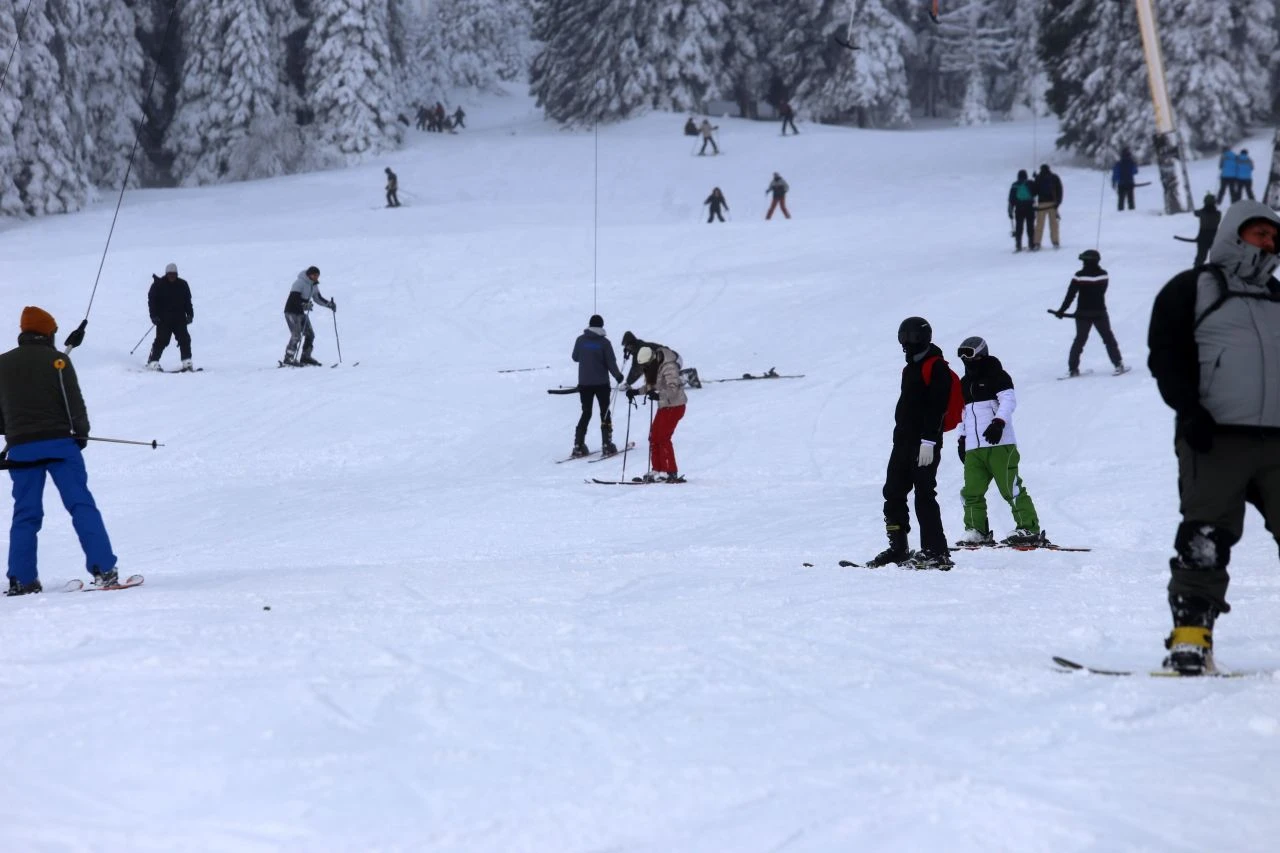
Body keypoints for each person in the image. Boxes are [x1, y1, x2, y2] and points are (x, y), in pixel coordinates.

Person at [1146, 199, 1280, 675]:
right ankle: (1190, 640)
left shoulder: (1276, 295)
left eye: (1272, 236)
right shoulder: (1193, 287)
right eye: (1257, 233)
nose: (1267, 243)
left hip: (1277, 440)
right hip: (1215, 438)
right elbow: (1165, 353)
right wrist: (1189, 410)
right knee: (1205, 535)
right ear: (1232, 234)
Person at [0, 307, 119, 595]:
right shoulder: (58, 361)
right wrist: (80, 435)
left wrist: (15, 433)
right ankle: (104, 570)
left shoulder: (2, 363)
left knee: (25, 513)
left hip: (21, 449)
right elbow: (74, 404)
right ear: (48, 332)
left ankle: (21, 579)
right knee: (80, 505)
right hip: (60, 445)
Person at [867, 317, 954, 569]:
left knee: (924, 494)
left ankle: (936, 552)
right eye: (903, 337)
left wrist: (928, 440)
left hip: (924, 444)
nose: (907, 343)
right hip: (903, 442)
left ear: (924, 337)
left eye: (912, 337)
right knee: (893, 492)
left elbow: (937, 406)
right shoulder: (910, 368)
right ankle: (898, 548)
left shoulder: (936, 367)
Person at [953, 336, 1044, 547]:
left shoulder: (997, 375)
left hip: (999, 444)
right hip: (974, 448)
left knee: (1010, 488)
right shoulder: (964, 383)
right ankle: (977, 531)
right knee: (971, 492)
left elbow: (1008, 400)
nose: (965, 358)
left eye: (969, 353)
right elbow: (963, 413)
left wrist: (999, 422)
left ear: (981, 354)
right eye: (961, 354)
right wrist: (961, 439)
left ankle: (1028, 528)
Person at [1052, 249, 1126, 377]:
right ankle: (1118, 364)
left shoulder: (1079, 275)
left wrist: (1061, 311)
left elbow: (1070, 295)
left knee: (1079, 341)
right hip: (1100, 313)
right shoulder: (1104, 275)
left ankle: (1073, 369)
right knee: (1108, 339)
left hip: (1082, 314)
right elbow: (1101, 291)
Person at [623, 341, 687, 483]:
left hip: (675, 406)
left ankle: (670, 471)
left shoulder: (669, 366)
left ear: (651, 359)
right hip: (665, 405)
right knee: (653, 437)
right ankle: (657, 469)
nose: (645, 368)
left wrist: (659, 396)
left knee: (663, 438)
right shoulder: (655, 366)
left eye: (645, 365)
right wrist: (636, 392)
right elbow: (652, 386)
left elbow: (673, 388)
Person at [570, 314, 624, 458]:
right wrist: (618, 376)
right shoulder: (604, 343)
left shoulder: (580, 340)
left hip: (584, 383)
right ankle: (607, 444)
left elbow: (575, 357)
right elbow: (611, 363)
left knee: (586, 412)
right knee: (604, 412)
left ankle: (578, 445)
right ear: (601, 326)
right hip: (601, 384)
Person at [145, 262, 195, 372]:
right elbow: (152, 301)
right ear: (166, 274)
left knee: (184, 338)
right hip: (163, 320)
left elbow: (187, 301)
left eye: (174, 274)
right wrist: (153, 316)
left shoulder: (183, 284)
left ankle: (187, 361)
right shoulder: (158, 285)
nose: (172, 276)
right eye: (170, 274)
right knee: (162, 340)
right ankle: (153, 361)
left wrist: (190, 314)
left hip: (180, 319)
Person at [282, 266, 336, 366]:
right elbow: (294, 299)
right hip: (291, 311)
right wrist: (303, 304)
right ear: (309, 274)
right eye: (314, 275)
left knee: (310, 334)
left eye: (317, 275)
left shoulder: (314, 285)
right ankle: (288, 358)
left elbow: (318, 298)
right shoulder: (299, 283)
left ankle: (306, 357)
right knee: (296, 335)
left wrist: (329, 304)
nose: (316, 277)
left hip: (301, 312)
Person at [1032, 163, 1064, 250]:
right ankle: (1055, 242)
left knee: (1039, 225)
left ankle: (1037, 242)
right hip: (1053, 204)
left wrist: (1034, 179)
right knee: (1054, 224)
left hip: (1041, 205)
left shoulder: (1038, 178)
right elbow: (1060, 190)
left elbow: (1034, 192)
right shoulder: (1054, 177)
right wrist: (1058, 202)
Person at [1007, 169, 1036, 252]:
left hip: (1019, 209)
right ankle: (1031, 244)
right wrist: (1035, 177)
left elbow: (1011, 200)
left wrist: (1010, 212)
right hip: (1030, 208)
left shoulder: (1014, 185)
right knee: (1030, 227)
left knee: (1019, 227)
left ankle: (1018, 245)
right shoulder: (1030, 183)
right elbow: (1036, 192)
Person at [1192, 194, 1221, 268]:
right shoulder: (1218, 214)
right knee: (1216, 258)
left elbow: (1195, 213)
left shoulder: (1201, 213)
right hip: (1214, 237)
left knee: (1201, 257)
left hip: (1203, 237)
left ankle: (1196, 271)